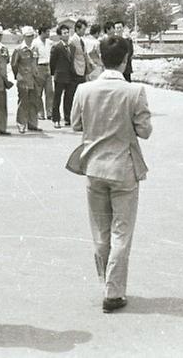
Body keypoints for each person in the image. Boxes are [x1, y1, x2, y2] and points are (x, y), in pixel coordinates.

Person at [66, 35, 152, 313]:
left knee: (100, 232)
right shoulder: (135, 91)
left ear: (100, 58)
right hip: (123, 169)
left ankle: (107, 282)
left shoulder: (84, 90)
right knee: (121, 232)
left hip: (93, 168)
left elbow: (75, 124)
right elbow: (145, 131)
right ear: (126, 59)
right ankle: (113, 292)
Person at [11, 26, 39, 133]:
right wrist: (18, 76)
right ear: (23, 36)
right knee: (23, 102)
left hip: (34, 78)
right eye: (28, 36)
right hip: (23, 78)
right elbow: (14, 64)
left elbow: (36, 62)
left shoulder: (35, 48)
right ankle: (21, 124)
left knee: (34, 101)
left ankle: (32, 123)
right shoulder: (18, 49)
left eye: (31, 36)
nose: (30, 38)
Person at [50, 24, 75, 129]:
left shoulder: (72, 46)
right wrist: (53, 73)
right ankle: (56, 119)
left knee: (68, 98)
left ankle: (67, 118)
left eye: (68, 32)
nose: (67, 35)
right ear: (60, 35)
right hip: (59, 75)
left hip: (70, 76)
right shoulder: (56, 47)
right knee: (57, 98)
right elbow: (52, 62)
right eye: (64, 33)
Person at [32, 26, 54, 120]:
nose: (49, 34)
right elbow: (34, 57)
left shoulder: (50, 43)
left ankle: (50, 112)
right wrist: (35, 69)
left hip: (48, 66)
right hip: (39, 66)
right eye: (47, 32)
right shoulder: (35, 43)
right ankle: (40, 112)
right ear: (42, 32)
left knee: (49, 91)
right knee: (38, 91)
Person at [69, 19, 94, 86]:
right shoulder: (73, 41)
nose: (84, 32)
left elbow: (85, 53)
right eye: (83, 30)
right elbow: (71, 57)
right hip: (76, 71)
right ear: (77, 29)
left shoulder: (81, 40)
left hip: (83, 70)